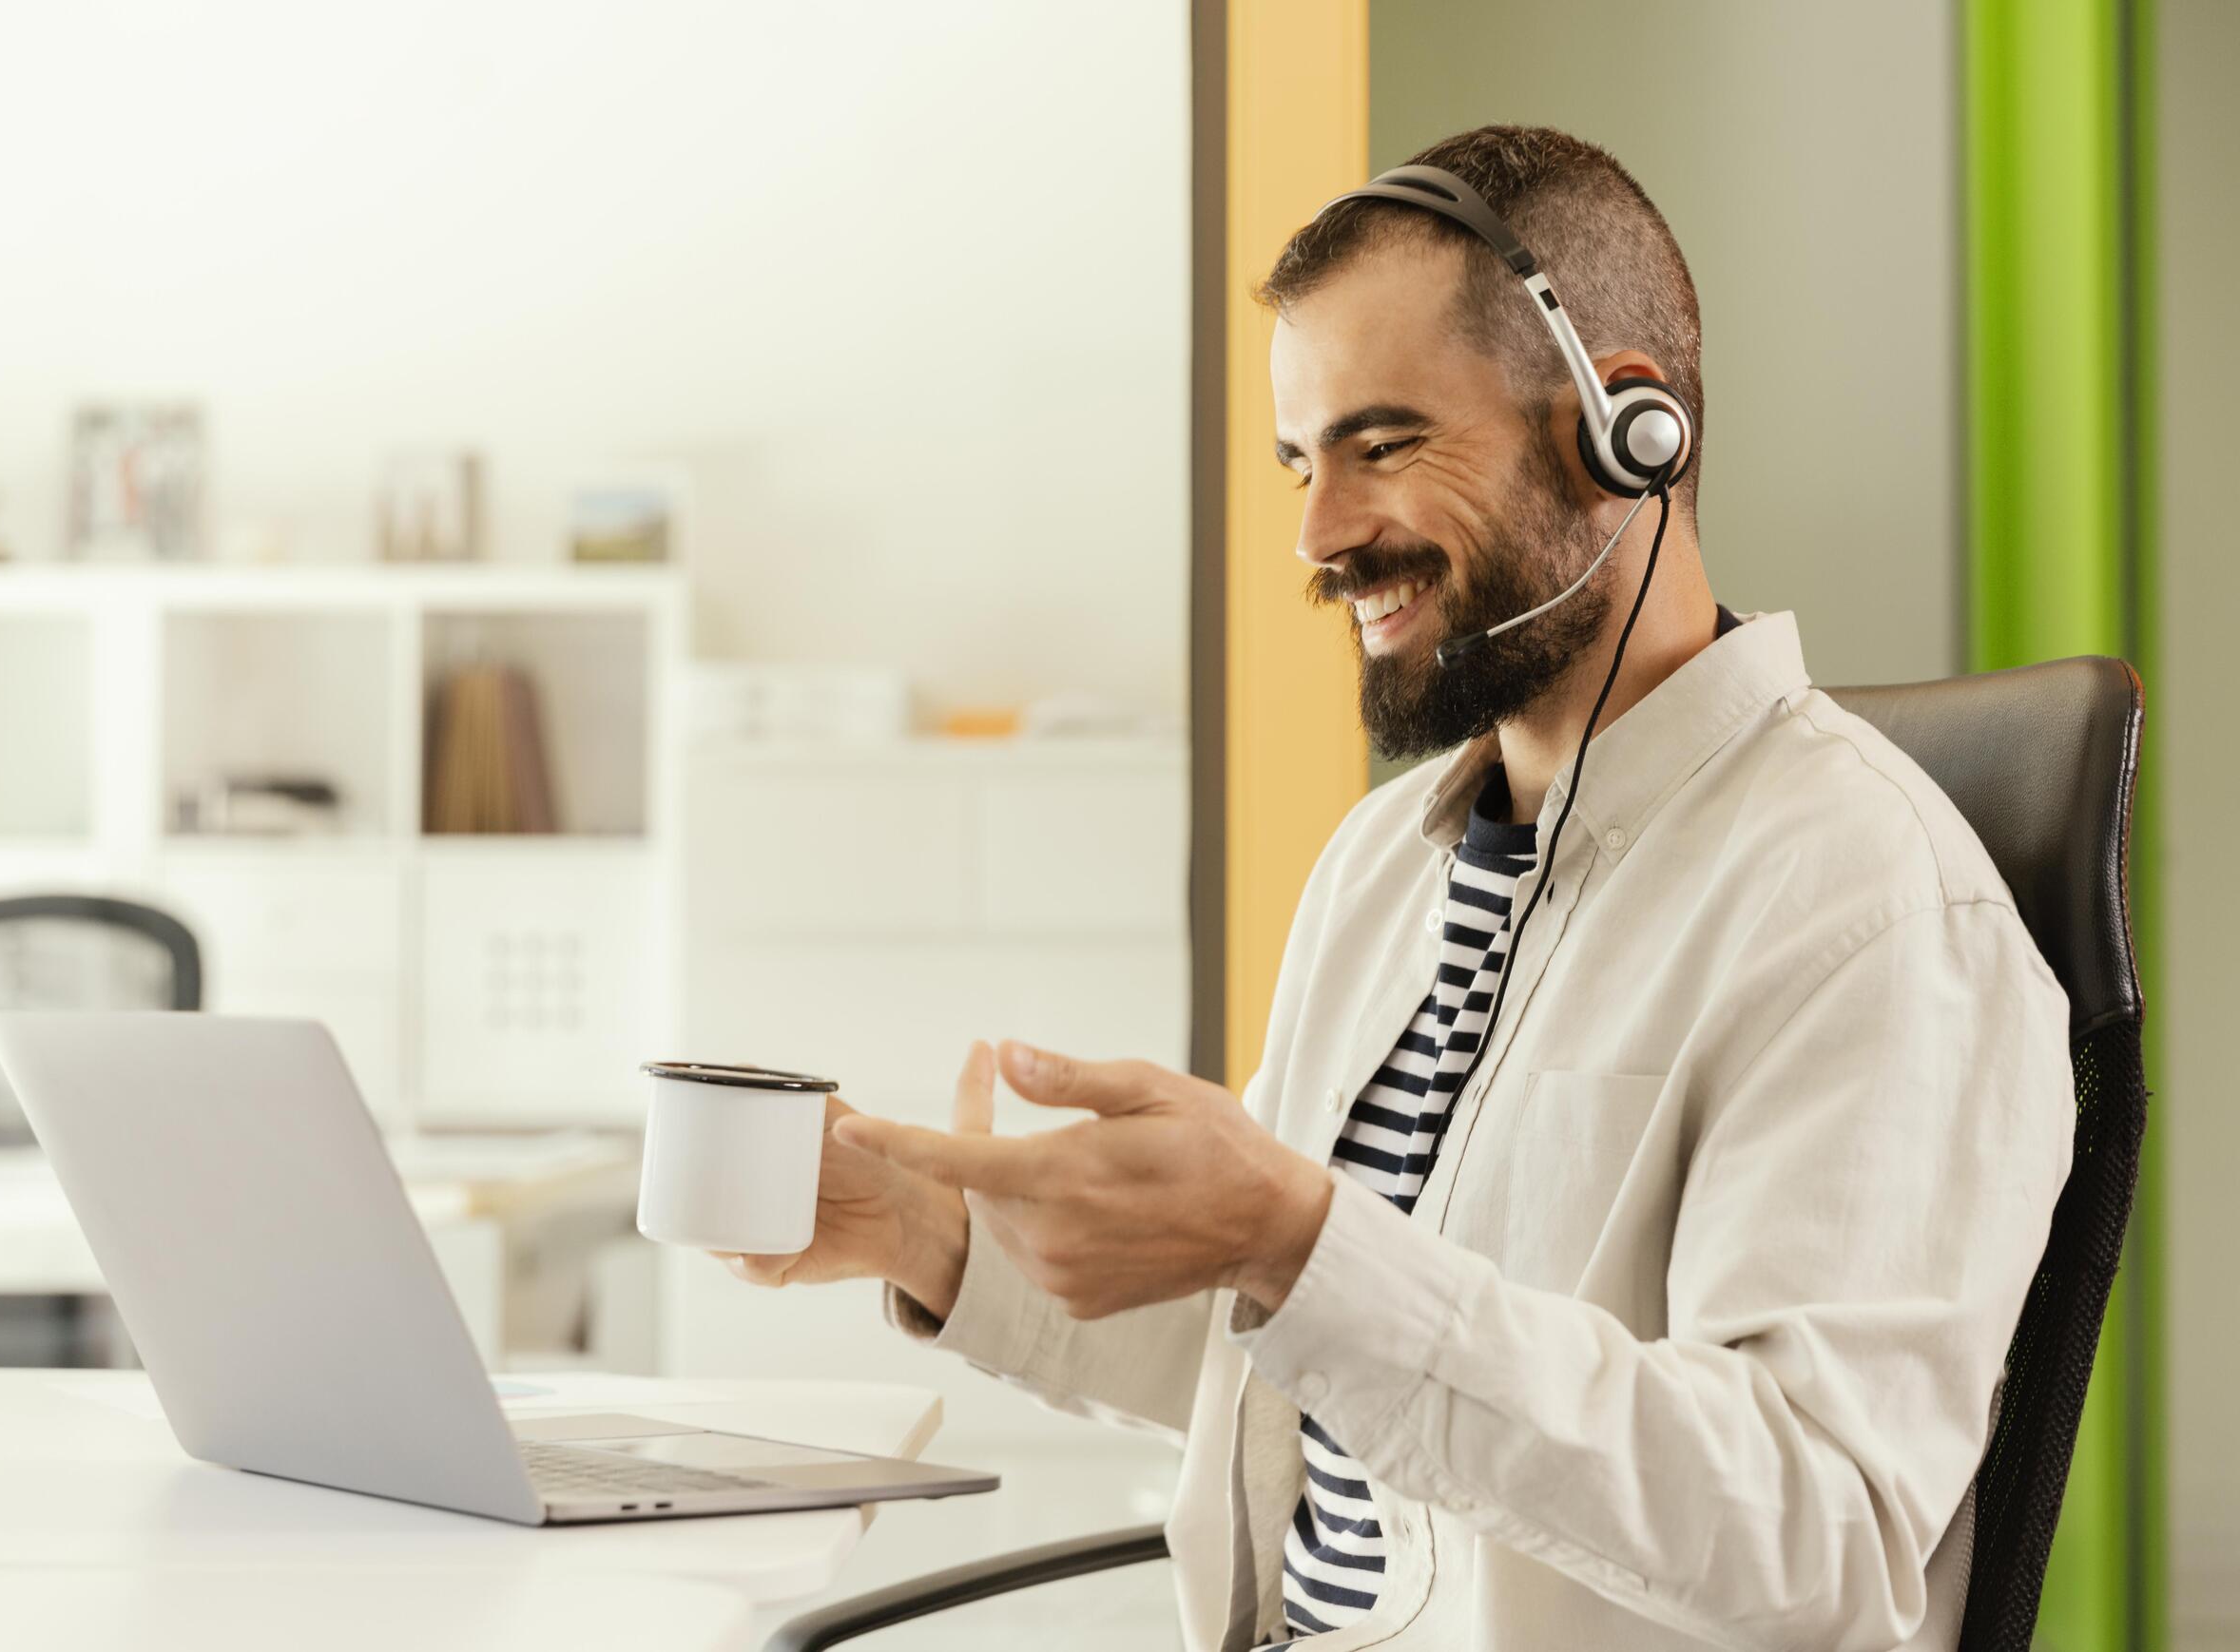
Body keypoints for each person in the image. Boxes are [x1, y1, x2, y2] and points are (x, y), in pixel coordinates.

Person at [720, 125, 2072, 1652]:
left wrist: (1300, 1241)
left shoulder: (1871, 909)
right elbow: (1307, 1372)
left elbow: (1817, 1532)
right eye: (1303, 462)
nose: (1317, 534)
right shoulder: (1385, 870)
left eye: (1383, 443)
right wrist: (930, 1236)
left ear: (1629, 430)